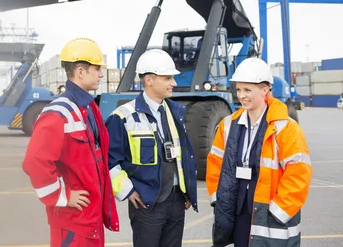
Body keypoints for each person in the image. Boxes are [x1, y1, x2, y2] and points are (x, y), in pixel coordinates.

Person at [22, 37, 119, 246]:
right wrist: (62, 196)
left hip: (90, 217)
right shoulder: (58, 113)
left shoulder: (89, 108)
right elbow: (34, 162)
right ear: (81, 71)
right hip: (72, 221)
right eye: (97, 68)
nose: (101, 73)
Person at [206, 57, 313, 246]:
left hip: (270, 213)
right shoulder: (228, 125)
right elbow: (215, 164)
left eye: (248, 90)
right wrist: (218, 201)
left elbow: (298, 174)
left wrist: (278, 211)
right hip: (238, 209)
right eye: (238, 89)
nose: (242, 95)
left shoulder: (286, 127)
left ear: (265, 90)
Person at [105, 49, 198, 247]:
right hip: (147, 203)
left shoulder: (175, 112)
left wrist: (187, 191)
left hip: (176, 201)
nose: (173, 83)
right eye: (167, 78)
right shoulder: (122, 116)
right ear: (149, 80)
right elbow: (109, 161)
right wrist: (128, 191)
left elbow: (183, 156)